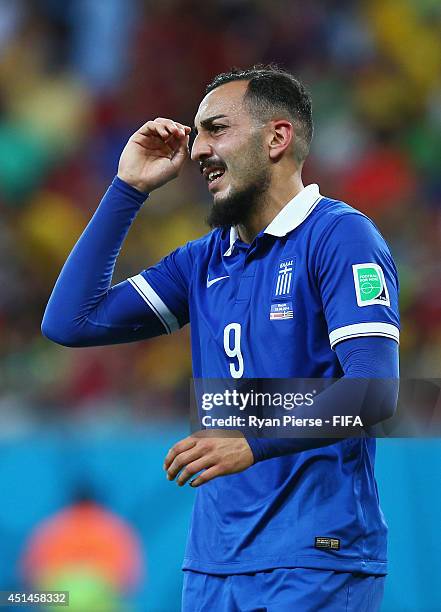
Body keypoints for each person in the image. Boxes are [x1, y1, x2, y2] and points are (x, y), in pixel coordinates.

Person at [42, 65, 400, 611]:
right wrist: (127, 190)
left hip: (316, 557)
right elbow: (70, 321)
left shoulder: (340, 237)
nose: (197, 149)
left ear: (277, 137)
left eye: (215, 129)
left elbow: (374, 392)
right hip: (213, 565)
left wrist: (253, 442)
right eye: (196, 132)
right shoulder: (204, 260)